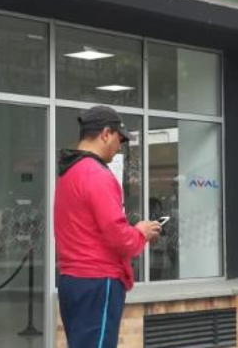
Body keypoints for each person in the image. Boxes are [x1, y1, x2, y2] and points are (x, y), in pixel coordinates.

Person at [55, 106, 160, 348]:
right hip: (98, 282)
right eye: (119, 138)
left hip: (71, 280)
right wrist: (141, 232)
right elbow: (120, 238)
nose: (120, 146)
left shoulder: (68, 172)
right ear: (105, 134)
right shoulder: (97, 174)